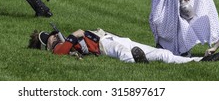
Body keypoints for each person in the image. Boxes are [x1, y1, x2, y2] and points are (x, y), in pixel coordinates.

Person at [29, 27, 201, 64]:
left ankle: (198, 60)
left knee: (161, 54)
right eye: (50, 38)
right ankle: (137, 61)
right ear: (47, 45)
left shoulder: (63, 44)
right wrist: (73, 36)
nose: (53, 37)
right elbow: (60, 52)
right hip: (103, 45)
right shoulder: (58, 49)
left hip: (108, 37)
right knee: (123, 53)